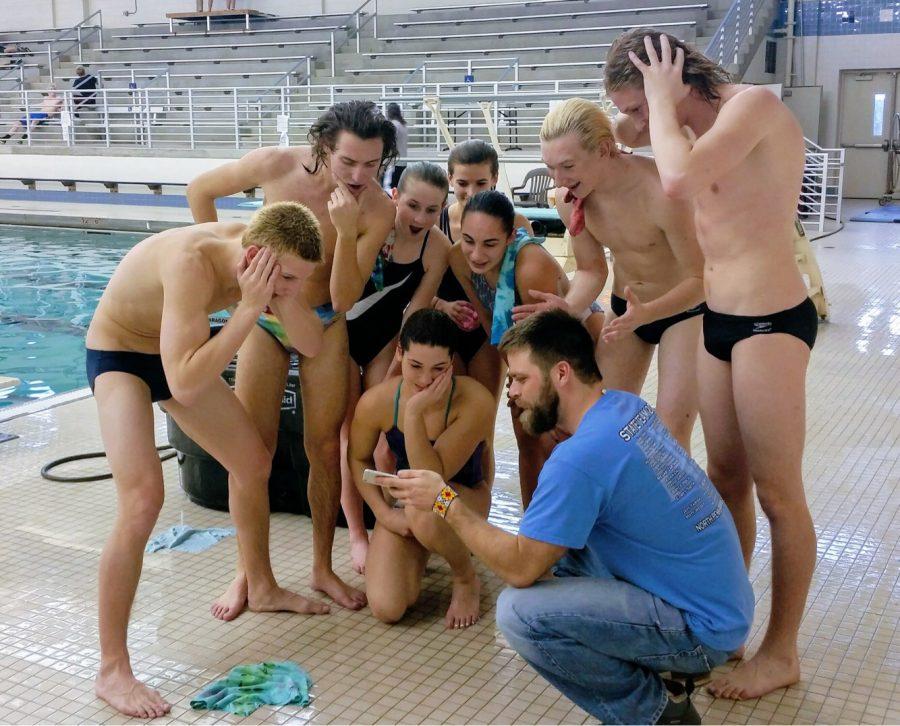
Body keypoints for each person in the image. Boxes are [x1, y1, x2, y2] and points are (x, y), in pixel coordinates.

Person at [379, 310, 754, 724]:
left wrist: (445, 501)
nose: (512, 394)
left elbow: (520, 567)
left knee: (520, 613)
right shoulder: (624, 407)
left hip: (701, 628)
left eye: (520, 379)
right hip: (723, 602)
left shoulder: (580, 459)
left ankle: (659, 711)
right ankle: (664, 670)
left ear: (560, 373)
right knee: (562, 554)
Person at [604, 29, 818, 699]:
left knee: (779, 494)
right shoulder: (679, 125)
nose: (635, 124)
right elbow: (623, 138)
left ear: (674, 82)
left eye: (638, 108)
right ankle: (727, 627)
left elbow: (676, 178)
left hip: (770, 320)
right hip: (717, 319)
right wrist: (641, 107)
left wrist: (660, 102)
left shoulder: (750, 107)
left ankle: (782, 651)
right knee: (725, 480)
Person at [86, 202, 326, 718]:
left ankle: (259, 586)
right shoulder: (191, 262)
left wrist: (281, 298)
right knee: (143, 499)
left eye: (297, 280)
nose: (289, 286)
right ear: (256, 257)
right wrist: (248, 310)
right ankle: (112, 668)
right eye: (285, 277)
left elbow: (311, 342)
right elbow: (185, 384)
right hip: (122, 355)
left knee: (253, 463)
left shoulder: (270, 261)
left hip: (178, 353)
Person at [186, 100, 396, 618]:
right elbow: (200, 191)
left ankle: (322, 568)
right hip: (263, 320)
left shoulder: (376, 208)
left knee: (323, 448)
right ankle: (250, 574)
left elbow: (346, 298)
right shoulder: (275, 165)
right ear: (323, 147)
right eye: (348, 162)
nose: (359, 175)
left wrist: (346, 232)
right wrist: (232, 277)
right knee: (250, 451)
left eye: (372, 165)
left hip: (325, 319)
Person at [514, 97, 705, 452]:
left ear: (604, 149)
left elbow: (701, 278)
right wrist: (566, 310)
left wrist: (650, 312)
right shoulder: (570, 196)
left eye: (568, 166)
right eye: (550, 168)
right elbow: (591, 269)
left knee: (671, 433)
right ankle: (615, 504)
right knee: (597, 422)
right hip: (626, 310)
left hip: (684, 311)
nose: (559, 180)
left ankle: (666, 508)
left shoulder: (662, 191)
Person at [447, 191, 602, 507]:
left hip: (576, 346)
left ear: (509, 237)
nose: (476, 254)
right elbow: (493, 327)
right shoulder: (457, 258)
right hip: (524, 350)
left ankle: (574, 531)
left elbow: (551, 344)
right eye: (468, 240)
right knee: (527, 439)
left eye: (489, 244)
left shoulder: (529, 265)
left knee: (561, 442)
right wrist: (518, 381)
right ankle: (534, 527)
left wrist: (526, 384)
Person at [350, 309, 495, 628]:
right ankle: (420, 550)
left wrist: (413, 414)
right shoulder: (378, 401)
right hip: (411, 504)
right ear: (400, 353)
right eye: (415, 366)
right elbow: (357, 458)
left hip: (464, 500)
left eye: (439, 369)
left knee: (426, 509)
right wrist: (384, 514)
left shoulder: (474, 400)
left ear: (453, 363)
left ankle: (465, 577)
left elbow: (434, 477)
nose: (426, 380)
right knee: (387, 608)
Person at [341, 162, 452, 573]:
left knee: (387, 437)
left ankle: (392, 524)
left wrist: (393, 373)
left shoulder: (437, 248)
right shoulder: (375, 224)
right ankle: (357, 533)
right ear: (394, 198)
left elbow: (415, 311)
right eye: (412, 206)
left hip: (386, 342)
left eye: (432, 209)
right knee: (348, 437)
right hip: (341, 336)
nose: (420, 218)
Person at [433, 140, 534, 373]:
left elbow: (526, 284)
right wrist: (442, 305)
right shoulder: (437, 224)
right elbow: (418, 283)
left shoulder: (515, 223)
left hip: (493, 326)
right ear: (450, 179)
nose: (471, 193)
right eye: (462, 183)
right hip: (446, 324)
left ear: (494, 179)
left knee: (486, 403)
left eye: (481, 183)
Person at [382, 102, 409, 191]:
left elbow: (389, 142)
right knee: (398, 188)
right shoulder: (403, 125)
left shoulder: (393, 125)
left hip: (394, 162)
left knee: (390, 188)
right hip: (403, 161)